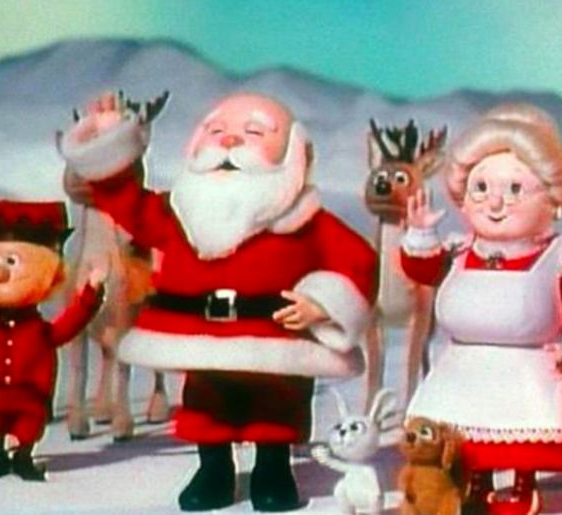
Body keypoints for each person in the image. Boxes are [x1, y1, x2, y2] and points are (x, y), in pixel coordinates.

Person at [59, 92, 376, 512]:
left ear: (294, 152)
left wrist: (323, 303)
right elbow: (127, 204)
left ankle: (273, 468)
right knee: (207, 405)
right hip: (199, 335)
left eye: (253, 132)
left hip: (275, 338)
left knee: (277, 406)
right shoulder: (180, 211)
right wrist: (108, 141)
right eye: (217, 130)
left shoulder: (306, 220)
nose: (230, 142)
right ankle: (214, 468)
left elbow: (358, 261)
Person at [399, 104, 562, 514]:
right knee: (464, 433)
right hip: (461, 369)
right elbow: (421, 270)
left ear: (552, 199)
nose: (495, 203)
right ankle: (475, 486)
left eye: (516, 189)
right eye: (481, 188)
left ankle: (520, 485)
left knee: (518, 432)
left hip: (525, 371)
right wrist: (421, 233)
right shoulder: (460, 250)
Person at [0, 200, 105, 482]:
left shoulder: (40, 332)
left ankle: (23, 457)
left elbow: (70, 325)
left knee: (29, 426)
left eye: (11, 262)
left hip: (31, 403)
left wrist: (91, 294)